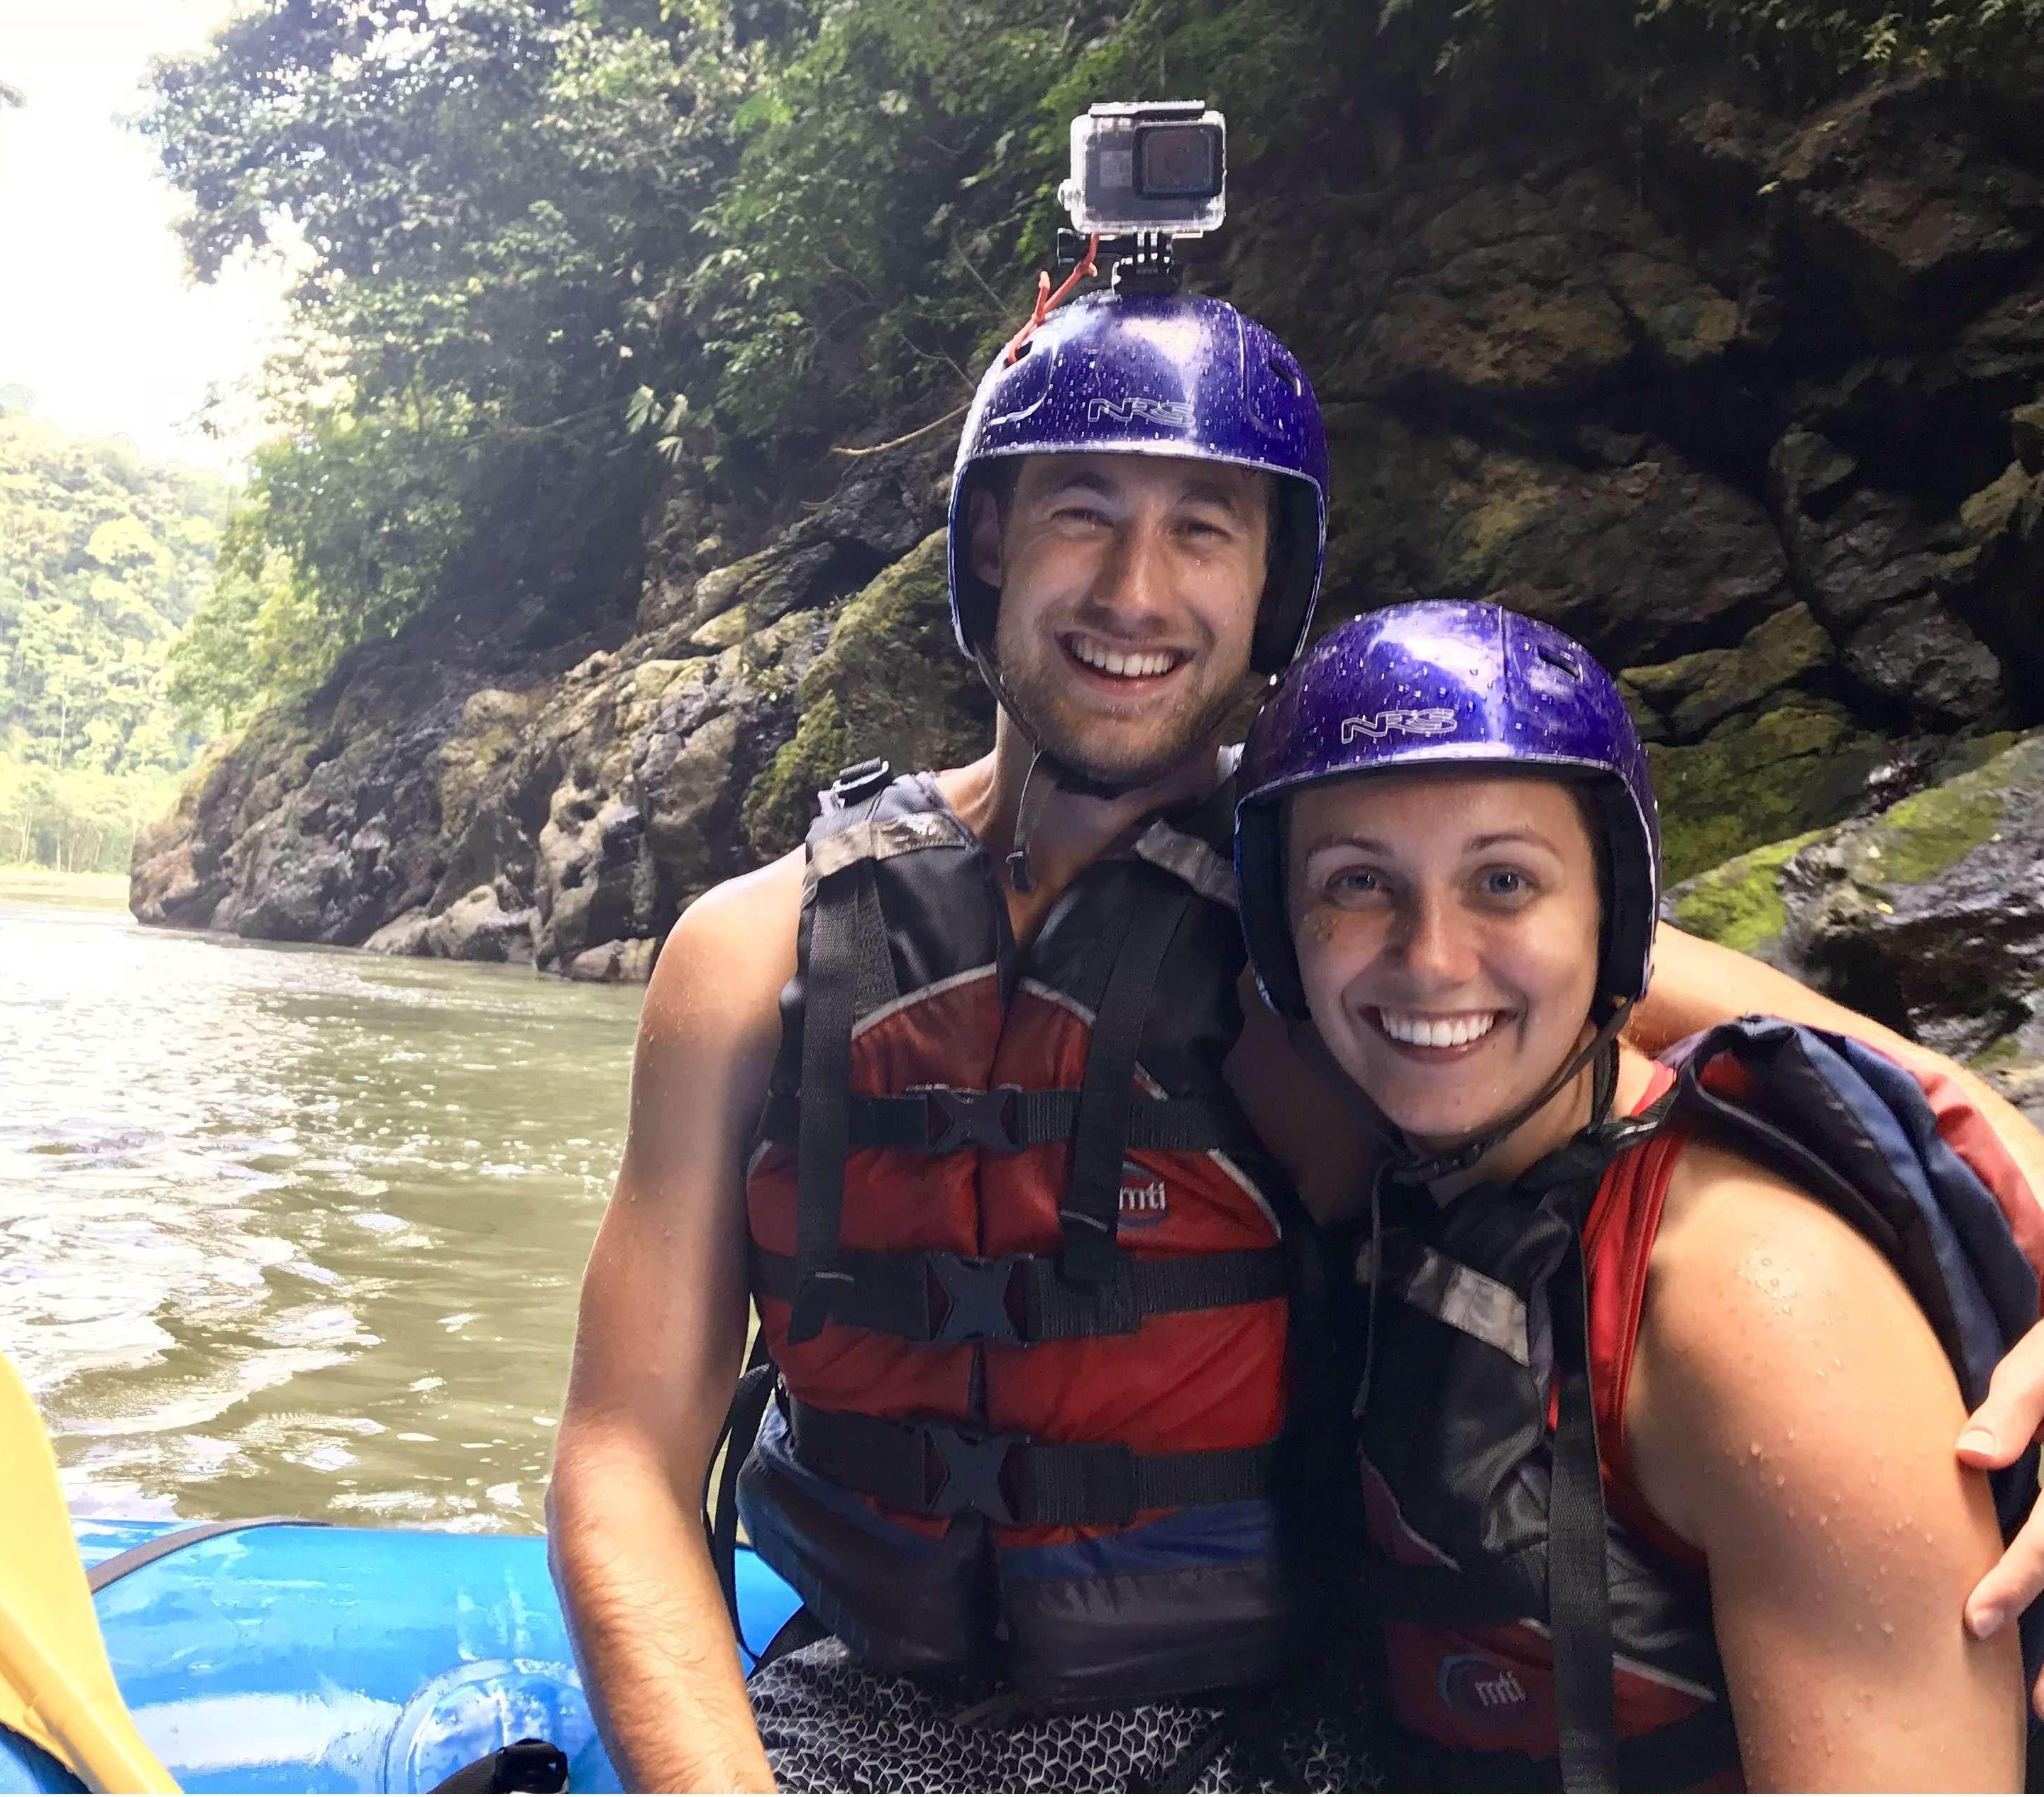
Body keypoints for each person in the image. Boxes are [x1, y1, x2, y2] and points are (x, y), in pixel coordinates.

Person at [546, 267, 2044, 1795]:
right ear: (988, 534)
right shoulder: (745, 957)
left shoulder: (1353, 920)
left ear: (1271, 580)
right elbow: (621, 1453)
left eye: (1203, 528)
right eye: (1081, 511)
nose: (1135, 589)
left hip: (1242, 1738)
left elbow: (1848, 1080)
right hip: (847, 1701)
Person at [1232, 599, 2043, 1791]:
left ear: (1613, 924)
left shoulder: (1763, 1310)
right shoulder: (1391, 1145)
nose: (1433, 962)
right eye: (1360, 885)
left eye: (1504, 882)